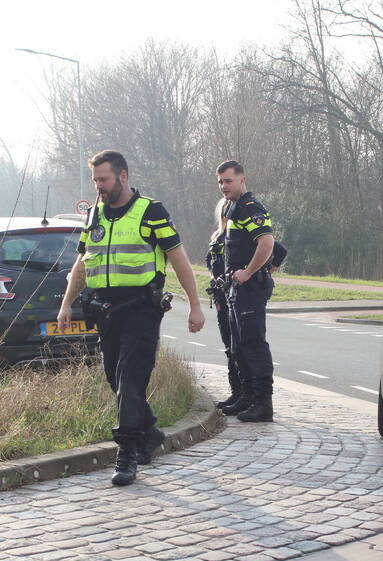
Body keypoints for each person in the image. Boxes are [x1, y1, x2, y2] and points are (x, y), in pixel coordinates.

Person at [58, 150, 205, 486]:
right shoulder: (95, 213)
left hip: (140, 309)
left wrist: (195, 306)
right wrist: (66, 304)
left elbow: (179, 259)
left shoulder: (150, 211)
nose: (99, 187)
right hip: (105, 311)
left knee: (130, 381)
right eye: (96, 180)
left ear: (123, 176)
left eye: (104, 179)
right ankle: (149, 430)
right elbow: (82, 262)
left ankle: (127, 455)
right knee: (114, 377)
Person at [207, 199, 287, 411]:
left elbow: (276, 249)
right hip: (224, 297)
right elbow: (215, 267)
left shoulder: (244, 232)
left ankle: (255, 398)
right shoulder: (218, 237)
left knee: (250, 344)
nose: (226, 215)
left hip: (243, 292)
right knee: (232, 348)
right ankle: (240, 393)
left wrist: (260, 272)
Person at [214, 160, 277, 422]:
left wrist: (248, 271)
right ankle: (247, 398)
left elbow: (267, 242)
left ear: (242, 179)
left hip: (250, 287)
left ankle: (263, 404)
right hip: (236, 290)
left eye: (228, 181)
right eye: (220, 182)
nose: (223, 186)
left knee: (253, 345)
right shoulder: (233, 208)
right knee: (239, 345)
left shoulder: (251, 208)